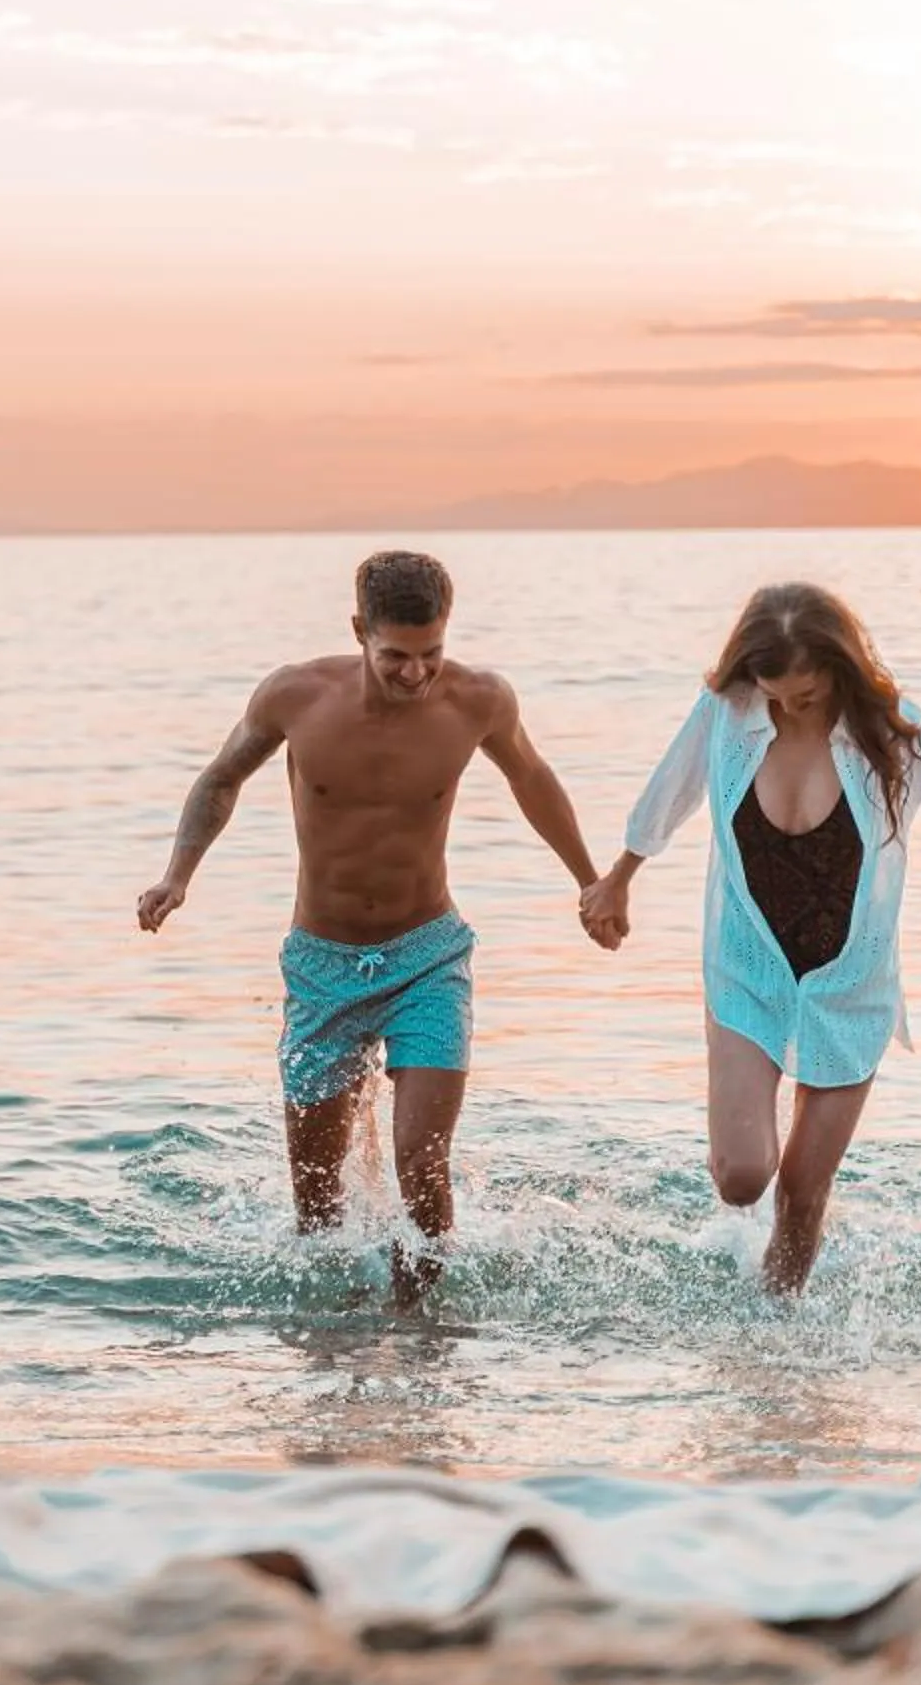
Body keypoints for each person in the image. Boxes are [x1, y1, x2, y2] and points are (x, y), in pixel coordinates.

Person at [575, 582, 921, 1296]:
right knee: (743, 1180)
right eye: (774, 691)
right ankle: (743, 1222)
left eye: (807, 693)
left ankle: (775, 1340)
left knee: (802, 1195)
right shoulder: (726, 715)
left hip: (851, 988)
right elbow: (672, 788)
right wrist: (618, 878)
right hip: (746, 969)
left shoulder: (891, 731)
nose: (789, 706)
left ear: (838, 670)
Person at [137, 549, 603, 1297]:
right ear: (360, 631)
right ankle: (335, 1354)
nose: (416, 674)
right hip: (322, 963)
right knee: (318, 1209)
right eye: (395, 656)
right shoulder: (295, 697)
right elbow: (221, 778)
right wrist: (177, 875)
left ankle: (422, 1340)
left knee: (422, 1166)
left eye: (431, 654)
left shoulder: (479, 702)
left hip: (428, 956)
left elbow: (532, 777)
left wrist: (591, 880)